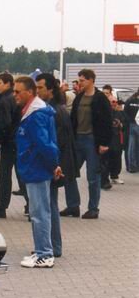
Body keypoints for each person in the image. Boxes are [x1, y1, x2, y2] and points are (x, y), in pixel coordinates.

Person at [13, 77, 61, 268]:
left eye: (18, 92)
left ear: (30, 92)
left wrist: (54, 164)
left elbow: (45, 144)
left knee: (39, 213)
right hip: (35, 167)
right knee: (39, 212)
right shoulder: (35, 112)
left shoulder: (36, 114)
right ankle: (42, 250)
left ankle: (45, 254)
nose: (15, 95)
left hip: (36, 169)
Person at [61, 69, 112, 219]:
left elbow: (107, 121)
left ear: (91, 80)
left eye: (82, 80)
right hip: (77, 140)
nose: (79, 83)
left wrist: (104, 143)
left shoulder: (100, 98)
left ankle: (93, 208)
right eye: (79, 80)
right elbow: (73, 119)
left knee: (93, 176)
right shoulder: (79, 97)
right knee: (69, 173)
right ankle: (73, 206)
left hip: (92, 141)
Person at [36, 73, 75, 259]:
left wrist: (55, 165)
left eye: (40, 88)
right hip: (56, 164)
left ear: (50, 89)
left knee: (49, 206)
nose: (37, 91)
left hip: (53, 166)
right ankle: (52, 245)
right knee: (49, 205)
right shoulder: (55, 108)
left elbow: (57, 142)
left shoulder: (53, 111)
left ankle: (53, 246)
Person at [0, 73, 21, 219]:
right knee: (21, 175)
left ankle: (1, 207)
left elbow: (4, 124)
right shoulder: (16, 98)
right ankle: (31, 206)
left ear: (8, 83)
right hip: (19, 141)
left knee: (5, 176)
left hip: (8, 142)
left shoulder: (4, 101)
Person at [100, 96, 127, 188]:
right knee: (105, 161)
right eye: (112, 102)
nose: (113, 103)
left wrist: (121, 125)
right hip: (106, 140)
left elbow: (125, 125)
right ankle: (104, 180)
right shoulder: (103, 112)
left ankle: (114, 176)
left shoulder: (120, 113)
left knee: (116, 158)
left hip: (117, 139)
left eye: (115, 102)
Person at [125, 89, 139, 173]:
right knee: (133, 147)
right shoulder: (131, 100)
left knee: (132, 146)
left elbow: (125, 112)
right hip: (134, 124)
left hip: (131, 125)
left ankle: (132, 166)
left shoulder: (130, 100)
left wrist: (130, 121)